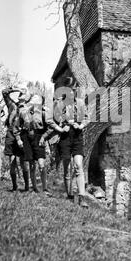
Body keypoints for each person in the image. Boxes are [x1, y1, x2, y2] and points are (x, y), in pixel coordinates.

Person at [42, 78, 89, 208]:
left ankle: (81, 198)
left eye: (75, 90)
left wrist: (81, 125)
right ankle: (69, 195)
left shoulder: (80, 103)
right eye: (71, 90)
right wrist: (61, 128)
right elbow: (49, 120)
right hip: (65, 137)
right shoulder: (59, 104)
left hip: (77, 136)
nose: (73, 92)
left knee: (78, 166)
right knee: (67, 168)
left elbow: (87, 117)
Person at [13, 91, 52, 195]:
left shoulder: (43, 112)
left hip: (39, 137)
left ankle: (45, 189)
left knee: (41, 164)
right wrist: (18, 139)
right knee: (32, 165)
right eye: (33, 102)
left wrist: (44, 137)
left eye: (37, 102)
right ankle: (34, 188)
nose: (34, 104)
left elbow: (50, 127)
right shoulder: (22, 112)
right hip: (27, 138)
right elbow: (16, 126)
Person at [2, 87, 31, 192]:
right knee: (12, 161)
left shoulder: (27, 108)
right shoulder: (12, 105)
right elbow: (4, 92)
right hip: (11, 134)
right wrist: (15, 88)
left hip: (22, 135)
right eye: (20, 94)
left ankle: (27, 187)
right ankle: (14, 186)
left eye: (23, 94)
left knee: (24, 162)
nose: (20, 96)